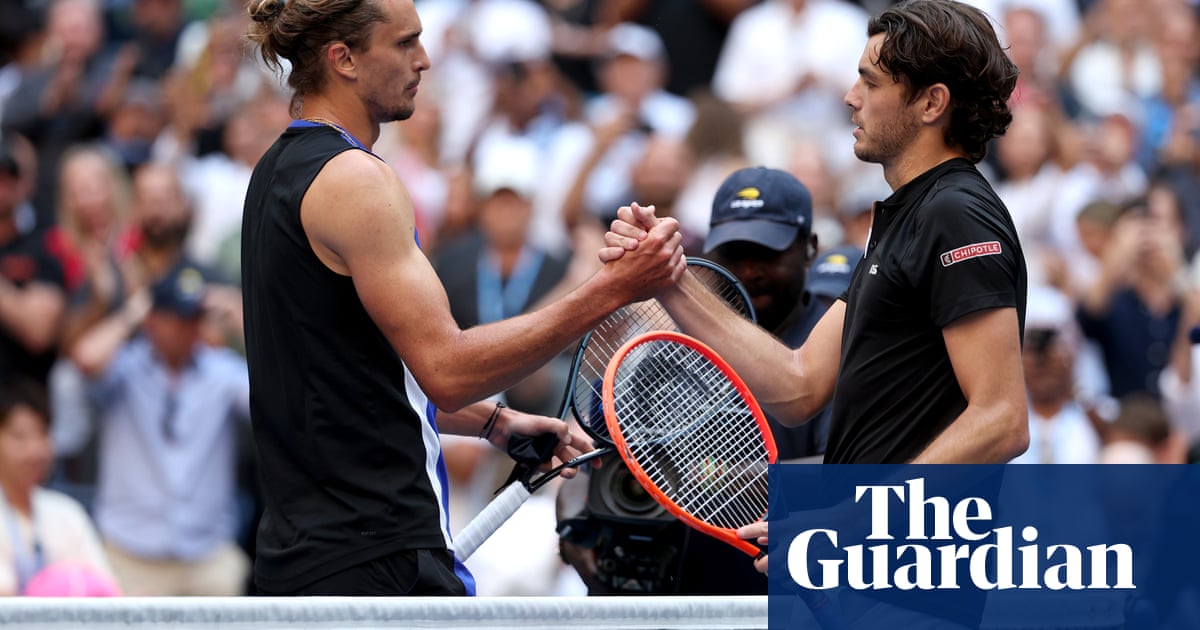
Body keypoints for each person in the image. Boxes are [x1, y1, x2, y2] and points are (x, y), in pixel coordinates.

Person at [241, 0, 684, 597]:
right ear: (343, 59)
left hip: (310, 558)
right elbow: (447, 369)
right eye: (404, 44)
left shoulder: (275, 170)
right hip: (377, 561)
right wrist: (613, 289)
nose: (424, 61)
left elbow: (350, 376)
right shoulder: (355, 180)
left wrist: (494, 422)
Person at [604, 0, 1029, 578]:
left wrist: (851, 523)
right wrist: (670, 278)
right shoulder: (908, 216)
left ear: (932, 103)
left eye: (871, 82)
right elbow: (798, 383)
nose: (851, 97)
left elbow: (1002, 420)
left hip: (912, 583)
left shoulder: (956, 214)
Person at [69, 263, 252, 596]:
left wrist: (237, 309)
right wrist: (134, 309)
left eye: (194, 317)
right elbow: (84, 357)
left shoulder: (222, 371)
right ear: (152, 320)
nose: (187, 328)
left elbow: (277, 391)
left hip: (207, 557)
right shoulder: (125, 366)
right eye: (176, 317)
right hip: (130, 557)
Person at [0, 379, 118, 597]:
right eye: (20, 437)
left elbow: (104, 592)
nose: (34, 450)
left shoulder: (66, 513)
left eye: (43, 434)